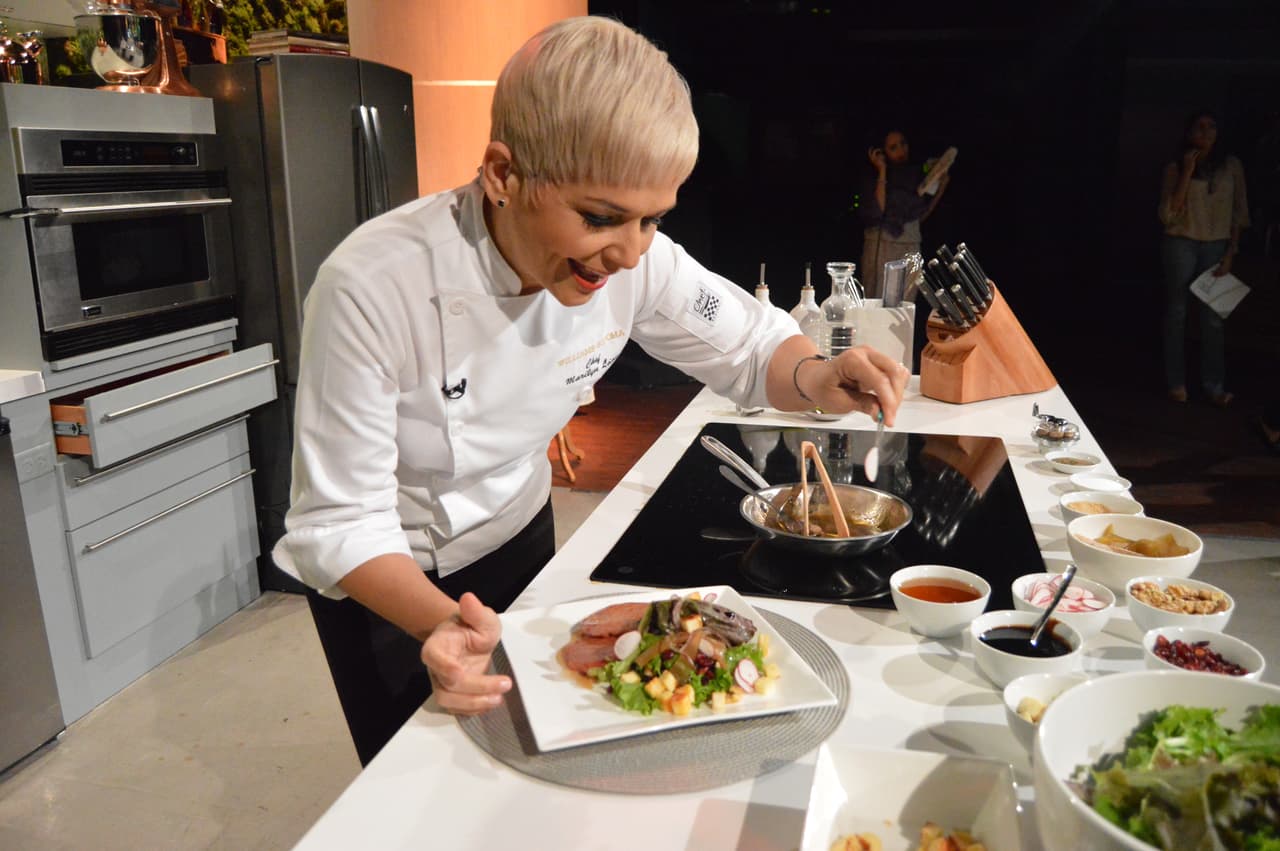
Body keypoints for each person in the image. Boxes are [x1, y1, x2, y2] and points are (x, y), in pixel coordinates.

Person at [273, 16, 910, 766]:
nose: (631, 251)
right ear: (503, 174)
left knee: (554, 762)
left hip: (520, 535)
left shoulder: (633, 259)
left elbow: (752, 341)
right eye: (601, 218)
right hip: (395, 580)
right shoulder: (371, 287)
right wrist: (439, 624)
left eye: (653, 218)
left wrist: (818, 376)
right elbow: (341, 521)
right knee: (430, 785)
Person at [1158, 109, 1250, 406]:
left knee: (1212, 319)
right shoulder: (1176, 166)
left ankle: (1213, 385)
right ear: (1189, 133)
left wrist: (1231, 251)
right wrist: (1187, 170)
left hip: (1215, 244)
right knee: (1177, 313)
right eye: (1200, 126)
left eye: (1212, 126)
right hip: (1182, 241)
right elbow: (1168, 214)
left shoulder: (1231, 166)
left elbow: (1239, 211)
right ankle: (1176, 383)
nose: (1206, 131)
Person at [858, 129, 950, 298]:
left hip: (910, 244)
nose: (901, 150)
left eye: (903, 144)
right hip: (883, 244)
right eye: (893, 147)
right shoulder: (870, 178)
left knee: (905, 308)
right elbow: (879, 210)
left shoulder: (915, 175)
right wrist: (882, 170)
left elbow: (921, 215)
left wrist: (942, 186)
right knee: (878, 303)